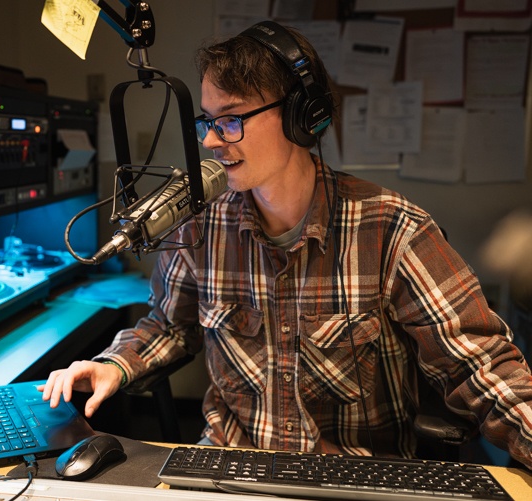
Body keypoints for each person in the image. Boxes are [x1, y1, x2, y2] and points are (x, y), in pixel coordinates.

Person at [41, 20, 532, 468]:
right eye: (206, 121)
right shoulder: (201, 224)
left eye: (230, 118)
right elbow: (170, 326)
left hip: (350, 476)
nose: (211, 141)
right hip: (228, 471)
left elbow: (481, 368)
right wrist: (114, 365)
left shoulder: (392, 228)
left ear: (302, 117)